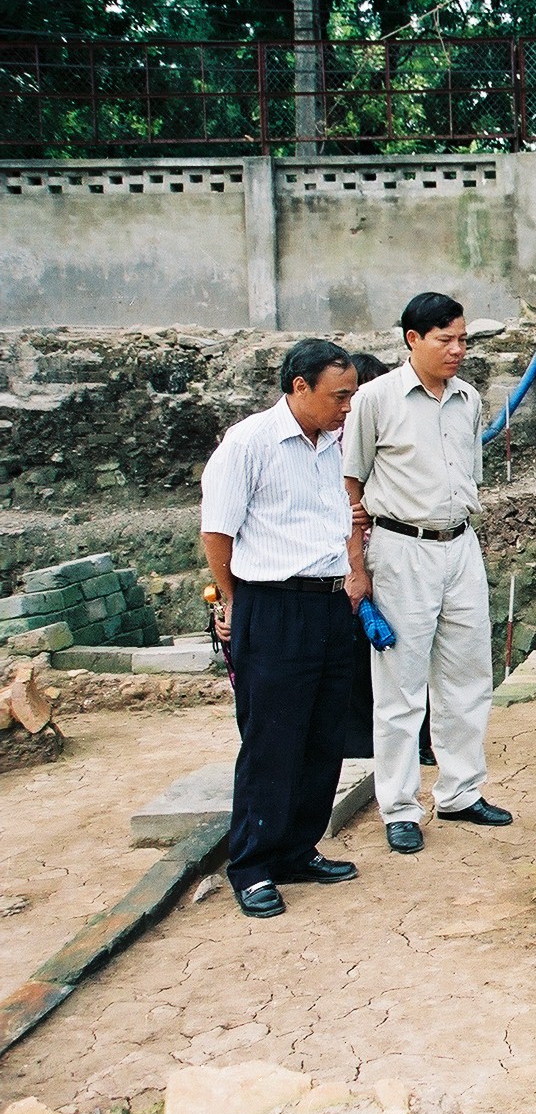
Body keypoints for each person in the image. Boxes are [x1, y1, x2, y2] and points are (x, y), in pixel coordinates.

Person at [343, 292, 511, 856]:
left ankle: (461, 791)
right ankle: (398, 806)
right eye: (446, 340)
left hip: (459, 544)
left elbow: (471, 475)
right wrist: (357, 566)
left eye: (463, 339)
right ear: (412, 340)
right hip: (400, 548)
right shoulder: (374, 399)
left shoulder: (468, 400)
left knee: (467, 675)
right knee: (400, 686)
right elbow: (350, 483)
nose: (458, 350)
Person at [200, 338, 362, 918]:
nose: (348, 407)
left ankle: (297, 848)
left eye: (352, 396)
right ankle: (251, 865)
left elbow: (342, 519)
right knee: (272, 739)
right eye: (339, 396)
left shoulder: (332, 444)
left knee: (324, 735)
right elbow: (218, 534)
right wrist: (237, 604)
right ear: (299, 388)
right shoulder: (249, 444)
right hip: (271, 605)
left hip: (328, 604)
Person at [341, 351, 435, 768]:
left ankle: (421, 740)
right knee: (362, 660)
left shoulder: (396, 432)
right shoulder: (331, 444)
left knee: (409, 651)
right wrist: (351, 507)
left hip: (394, 555)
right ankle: (367, 743)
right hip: (347, 562)